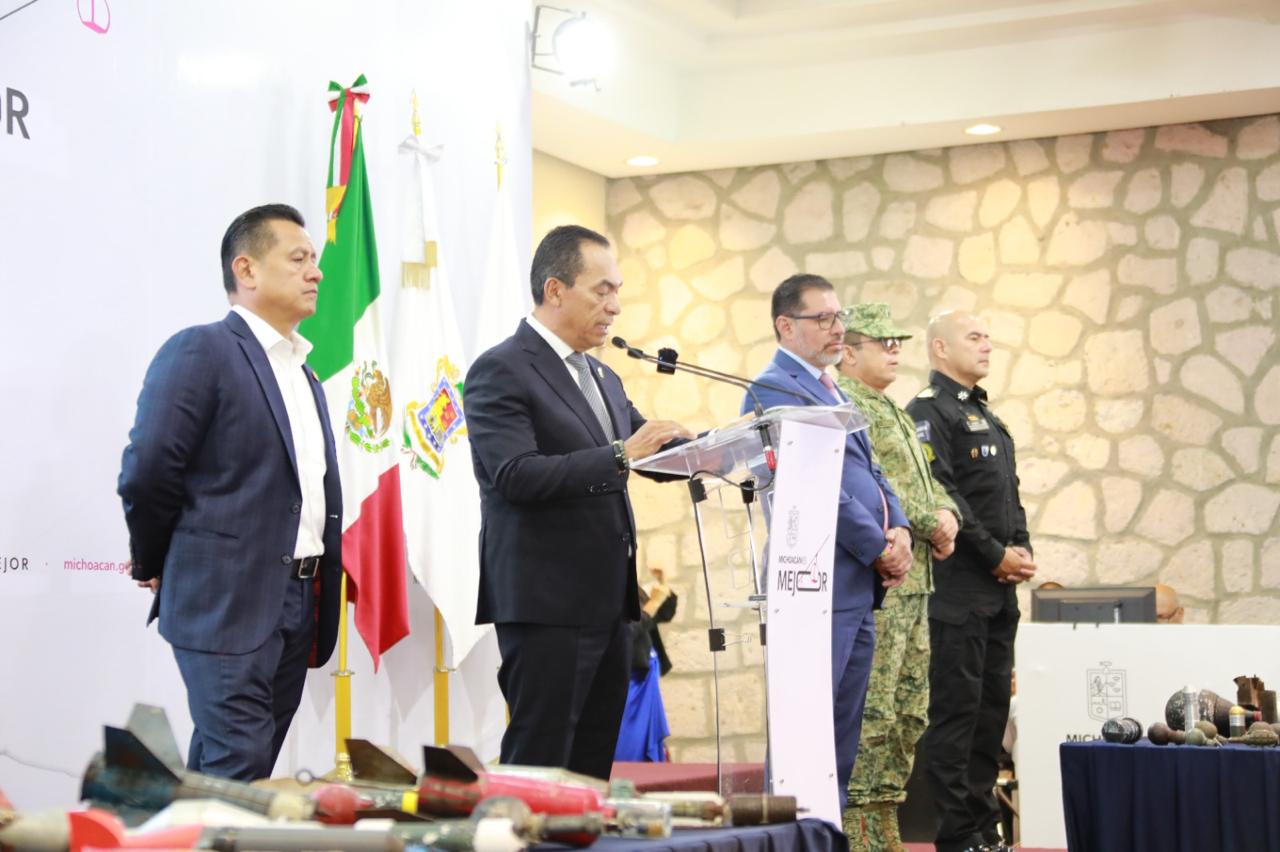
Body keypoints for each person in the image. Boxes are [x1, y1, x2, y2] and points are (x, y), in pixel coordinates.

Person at [118, 204, 342, 781]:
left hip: (300, 600)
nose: (316, 272)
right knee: (239, 765)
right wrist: (155, 559)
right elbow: (148, 469)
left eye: (314, 260)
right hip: (226, 601)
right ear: (246, 269)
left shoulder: (305, 373)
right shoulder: (202, 350)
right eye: (299, 258)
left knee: (240, 768)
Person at [464, 224, 693, 780]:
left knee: (592, 767)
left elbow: (648, 454)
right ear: (555, 290)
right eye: (602, 290)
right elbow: (515, 475)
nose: (615, 306)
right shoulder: (502, 369)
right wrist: (621, 453)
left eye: (617, 291)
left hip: (609, 604)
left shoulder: (603, 376)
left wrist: (715, 449)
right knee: (541, 762)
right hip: (546, 603)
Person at [742, 274, 912, 810]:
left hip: (854, 583)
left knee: (840, 737)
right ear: (786, 325)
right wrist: (878, 546)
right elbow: (813, 484)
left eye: (839, 317)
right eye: (823, 318)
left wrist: (901, 528)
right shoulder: (773, 389)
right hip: (813, 582)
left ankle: (825, 832)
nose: (837, 328)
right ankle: (792, 837)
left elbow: (871, 468)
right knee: (804, 736)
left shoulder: (832, 385)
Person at [908, 310, 1035, 852]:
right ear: (940, 348)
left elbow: (1008, 494)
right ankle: (958, 835)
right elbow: (944, 494)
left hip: (998, 593)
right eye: (974, 337)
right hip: (958, 591)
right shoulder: (927, 412)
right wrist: (994, 555)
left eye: (988, 337)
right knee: (957, 717)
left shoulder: (987, 415)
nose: (987, 346)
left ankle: (984, 828)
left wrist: (1022, 547)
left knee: (990, 717)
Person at [835, 303, 961, 852]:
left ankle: (885, 821)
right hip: (883, 581)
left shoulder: (893, 409)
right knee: (874, 708)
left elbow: (925, 480)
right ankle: (858, 827)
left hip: (917, 581)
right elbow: (879, 488)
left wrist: (948, 513)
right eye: (882, 343)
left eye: (897, 343)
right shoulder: (846, 408)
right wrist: (931, 522)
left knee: (909, 711)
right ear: (847, 352)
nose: (894, 351)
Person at [614, 566, 678, 763]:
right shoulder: (607, 587)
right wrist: (654, 602)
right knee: (630, 746)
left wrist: (663, 587)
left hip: (644, 676)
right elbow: (627, 631)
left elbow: (662, 614)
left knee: (647, 748)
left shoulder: (627, 582)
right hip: (628, 682)